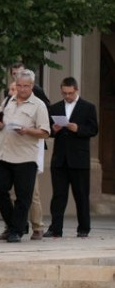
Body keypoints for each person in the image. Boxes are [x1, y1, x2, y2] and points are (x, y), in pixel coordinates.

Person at [0, 69, 50, 243]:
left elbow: (45, 132)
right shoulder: (8, 100)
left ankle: (16, 231)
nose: (22, 89)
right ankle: (15, 224)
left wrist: (27, 130)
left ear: (32, 86)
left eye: (25, 86)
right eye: (19, 85)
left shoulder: (39, 105)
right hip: (3, 153)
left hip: (25, 156)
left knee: (23, 196)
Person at [45, 77, 99, 238]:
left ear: (76, 90)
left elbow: (93, 129)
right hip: (60, 159)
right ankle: (55, 228)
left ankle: (83, 228)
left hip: (79, 159)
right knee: (58, 196)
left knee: (81, 195)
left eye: (70, 93)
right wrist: (54, 130)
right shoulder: (55, 107)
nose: (67, 96)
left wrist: (78, 128)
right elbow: (48, 130)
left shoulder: (88, 107)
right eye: (64, 93)